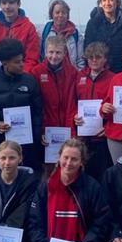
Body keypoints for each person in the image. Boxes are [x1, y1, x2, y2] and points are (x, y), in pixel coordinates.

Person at [28, 138, 110, 242]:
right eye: (65, 157)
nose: (68, 163)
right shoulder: (46, 187)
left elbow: (100, 224)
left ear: (82, 162)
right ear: (59, 158)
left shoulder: (92, 187)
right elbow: (34, 224)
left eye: (74, 159)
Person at [0, 38, 43, 172]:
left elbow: (38, 112)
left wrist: (36, 137)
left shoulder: (30, 81)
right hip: (0, 143)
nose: (22, 64)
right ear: (5, 63)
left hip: (27, 145)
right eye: (17, 62)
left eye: (22, 60)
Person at [31, 35, 79, 173]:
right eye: (51, 52)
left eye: (58, 52)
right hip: (47, 129)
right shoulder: (36, 72)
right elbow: (37, 106)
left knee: (68, 167)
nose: (54, 56)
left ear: (64, 53)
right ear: (45, 52)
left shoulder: (72, 72)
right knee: (48, 170)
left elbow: (74, 103)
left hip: (67, 127)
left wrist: (73, 130)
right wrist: (41, 130)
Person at [74, 41, 115, 181]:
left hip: (103, 136)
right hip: (83, 136)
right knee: (83, 176)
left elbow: (117, 108)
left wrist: (109, 127)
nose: (94, 60)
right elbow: (73, 101)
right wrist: (74, 117)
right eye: (91, 57)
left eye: (98, 57)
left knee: (103, 176)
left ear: (105, 59)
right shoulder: (79, 76)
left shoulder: (113, 78)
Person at [0, 0, 40, 74]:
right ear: (0, 5)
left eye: (11, 3)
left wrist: (23, 73)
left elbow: (31, 57)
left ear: (19, 4)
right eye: (4, 3)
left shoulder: (29, 27)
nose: (7, 7)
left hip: (21, 74)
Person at [40, 0, 85, 69]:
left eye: (63, 13)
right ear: (52, 14)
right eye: (57, 12)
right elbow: (40, 56)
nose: (60, 15)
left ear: (67, 15)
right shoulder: (45, 32)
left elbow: (80, 61)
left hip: (71, 76)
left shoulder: (76, 35)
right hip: (49, 75)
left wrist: (78, 77)